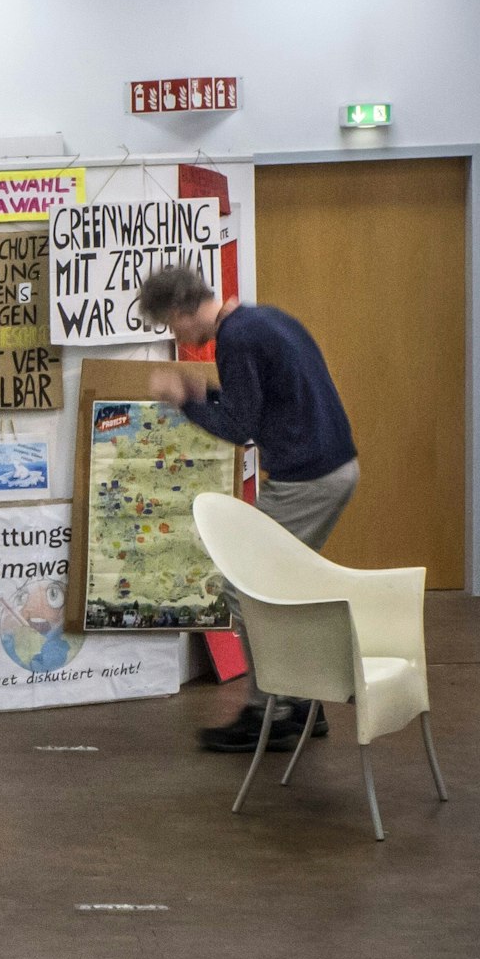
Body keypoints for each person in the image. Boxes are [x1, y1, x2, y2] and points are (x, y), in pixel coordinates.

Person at [140, 264, 358, 753]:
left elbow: (240, 428)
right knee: (285, 589)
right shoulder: (264, 320)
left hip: (308, 478)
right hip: (331, 467)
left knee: (246, 586)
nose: (176, 334)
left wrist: (185, 402)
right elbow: (262, 403)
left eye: (169, 325)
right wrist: (206, 394)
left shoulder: (235, 339)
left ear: (180, 311)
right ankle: (301, 703)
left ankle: (273, 712)